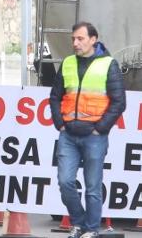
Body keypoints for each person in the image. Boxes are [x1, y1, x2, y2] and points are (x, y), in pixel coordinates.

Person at [48, 21, 126, 238]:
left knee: (92, 187)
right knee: (65, 182)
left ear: (93, 40)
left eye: (80, 39)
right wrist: (60, 123)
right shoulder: (67, 63)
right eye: (73, 39)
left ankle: (91, 229)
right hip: (68, 134)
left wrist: (100, 128)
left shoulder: (108, 64)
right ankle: (79, 223)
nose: (75, 43)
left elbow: (119, 101)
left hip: (94, 136)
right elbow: (55, 96)